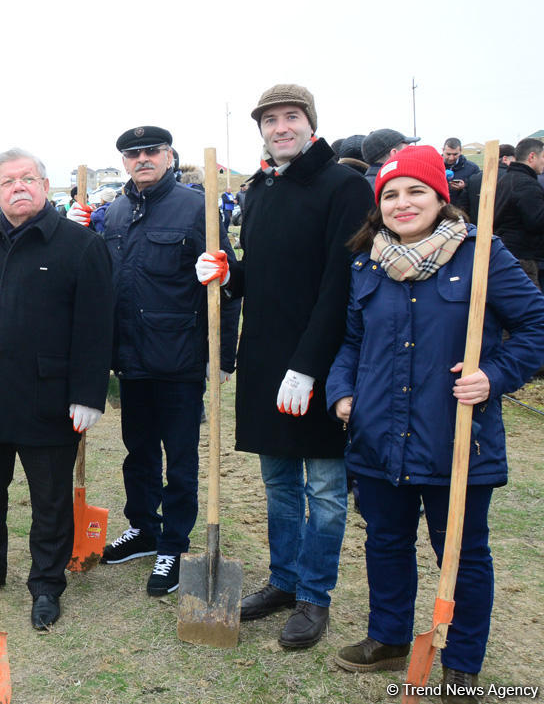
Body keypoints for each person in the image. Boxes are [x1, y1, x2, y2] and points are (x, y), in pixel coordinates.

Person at [325, 145, 544, 696]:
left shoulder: (482, 254)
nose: (402, 203)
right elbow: (352, 341)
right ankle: (388, 637)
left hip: (455, 435)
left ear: (441, 198)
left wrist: (494, 375)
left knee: (463, 554)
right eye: (391, 195)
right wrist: (342, 390)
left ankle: (461, 662)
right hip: (378, 433)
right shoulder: (367, 262)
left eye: (416, 191)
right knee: (385, 541)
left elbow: (536, 326)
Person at [197, 84, 373, 649]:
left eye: (291, 117)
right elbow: (266, 274)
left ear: (310, 124)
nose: (280, 128)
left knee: (325, 487)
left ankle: (314, 596)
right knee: (278, 482)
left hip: (320, 359)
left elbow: (339, 284)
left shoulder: (343, 186)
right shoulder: (260, 190)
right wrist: (228, 274)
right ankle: (284, 579)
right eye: (270, 120)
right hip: (266, 357)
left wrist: (309, 366)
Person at [0, 147, 113, 630]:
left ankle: (46, 584)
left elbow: (98, 325)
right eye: (9, 180)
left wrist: (88, 393)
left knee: (50, 501)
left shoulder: (80, 245)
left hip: (48, 398)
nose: (19, 187)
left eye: (28, 179)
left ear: (45, 185)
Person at [70, 126, 239, 596]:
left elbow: (226, 286)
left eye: (151, 151)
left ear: (168, 156)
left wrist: (223, 356)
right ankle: (144, 527)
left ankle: (174, 543)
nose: (142, 159)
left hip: (179, 359)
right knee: (138, 451)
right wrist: (77, 233)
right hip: (130, 357)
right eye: (133, 154)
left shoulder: (195, 208)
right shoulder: (114, 212)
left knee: (179, 458)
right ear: (124, 161)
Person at [490, 138, 544, 287]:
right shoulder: (526, 184)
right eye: (543, 157)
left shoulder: (506, 179)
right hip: (523, 257)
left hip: (505, 251)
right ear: (532, 157)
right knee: (529, 300)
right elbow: (536, 221)